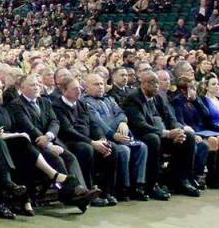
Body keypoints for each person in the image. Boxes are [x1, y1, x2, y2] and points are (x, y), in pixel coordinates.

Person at [7, 74, 93, 212]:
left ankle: (81, 191)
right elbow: (27, 126)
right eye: (32, 85)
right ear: (22, 88)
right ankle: (73, 194)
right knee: (56, 159)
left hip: (50, 139)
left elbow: (54, 121)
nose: (37, 87)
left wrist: (49, 136)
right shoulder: (16, 105)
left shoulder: (44, 102)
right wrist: (47, 144)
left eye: (38, 84)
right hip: (33, 145)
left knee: (70, 157)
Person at [122, 71, 200, 199]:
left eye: (158, 83)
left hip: (163, 134)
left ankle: (181, 180)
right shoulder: (133, 99)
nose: (157, 86)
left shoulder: (158, 97)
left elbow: (170, 118)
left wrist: (178, 131)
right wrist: (168, 134)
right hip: (143, 135)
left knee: (188, 137)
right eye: (153, 83)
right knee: (153, 139)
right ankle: (152, 185)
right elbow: (140, 125)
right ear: (144, 84)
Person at [52, 77, 120, 207]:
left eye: (79, 88)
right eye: (74, 89)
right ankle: (89, 191)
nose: (78, 91)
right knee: (85, 149)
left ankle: (107, 192)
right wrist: (92, 143)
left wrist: (101, 138)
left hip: (89, 139)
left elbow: (93, 124)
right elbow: (67, 131)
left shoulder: (81, 103)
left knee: (112, 148)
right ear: (64, 90)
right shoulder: (57, 106)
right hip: (71, 142)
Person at [81, 73, 149, 201]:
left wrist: (123, 122)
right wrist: (113, 135)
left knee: (142, 147)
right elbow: (98, 123)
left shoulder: (109, 99)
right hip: (105, 137)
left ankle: (139, 185)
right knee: (124, 150)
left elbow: (120, 113)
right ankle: (123, 187)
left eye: (101, 83)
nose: (100, 87)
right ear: (87, 87)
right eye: (96, 84)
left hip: (120, 135)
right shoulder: (86, 102)